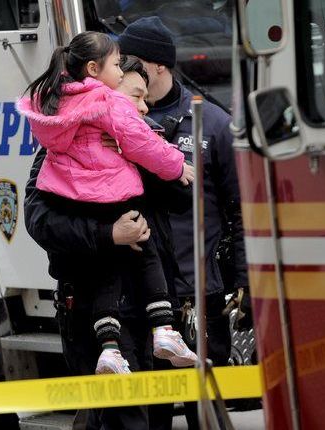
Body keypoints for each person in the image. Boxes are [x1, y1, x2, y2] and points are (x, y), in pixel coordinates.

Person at [24, 55, 194, 429]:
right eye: (132, 96)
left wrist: (141, 152)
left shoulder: (146, 143)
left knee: (148, 418)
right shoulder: (59, 154)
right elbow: (40, 222)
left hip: (145, 303)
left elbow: (184, 199)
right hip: (91, 307)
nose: (142, 107)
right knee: (118, 419)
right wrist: (108, 234)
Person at [118, 16, 250, 429]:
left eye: (130, 59)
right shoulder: (115, 121)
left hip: (200, 298)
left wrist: (244, 281)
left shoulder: (211, 122)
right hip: (139, 298)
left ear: (158, 65)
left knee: (205, 414)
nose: (121, 67)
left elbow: (241, 210)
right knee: (148, 414)